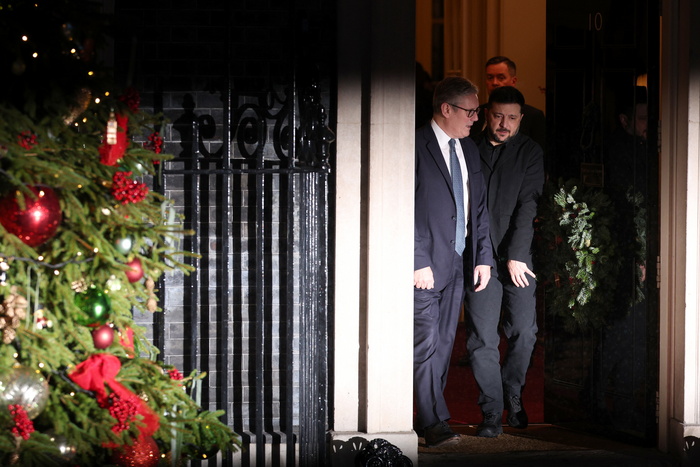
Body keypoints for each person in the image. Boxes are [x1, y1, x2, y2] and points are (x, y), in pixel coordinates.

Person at [414, 76, 494, 447]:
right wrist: (416, 259)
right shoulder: (415, 145)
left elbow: (479, 207)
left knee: (445, 342)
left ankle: (427, 418)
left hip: (459, 262)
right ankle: (434, 423)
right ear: (446, 109)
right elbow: (403, 205)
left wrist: (483, 257)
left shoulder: (469, 149)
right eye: (470, 111)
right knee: (425, 343)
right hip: (425, 266)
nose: (477, 118)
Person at [464, 86, 544, 438]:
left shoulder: (530, 151)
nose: (504, 123)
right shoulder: (467, 147)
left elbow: (529, 205)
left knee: (525, 331)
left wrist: (516, 255)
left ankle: (513, 392)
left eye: (512, 118)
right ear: (486, 114)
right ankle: (492, 411)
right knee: (482, 338)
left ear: (521, 119)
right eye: (498, 115)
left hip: (517, 256)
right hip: (478, 257)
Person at [470, 56, 546, 151]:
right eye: (490, 78)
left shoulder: (533, 116)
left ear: (513, 81)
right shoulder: (476, 112)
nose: (494, 82)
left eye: (501, 78)